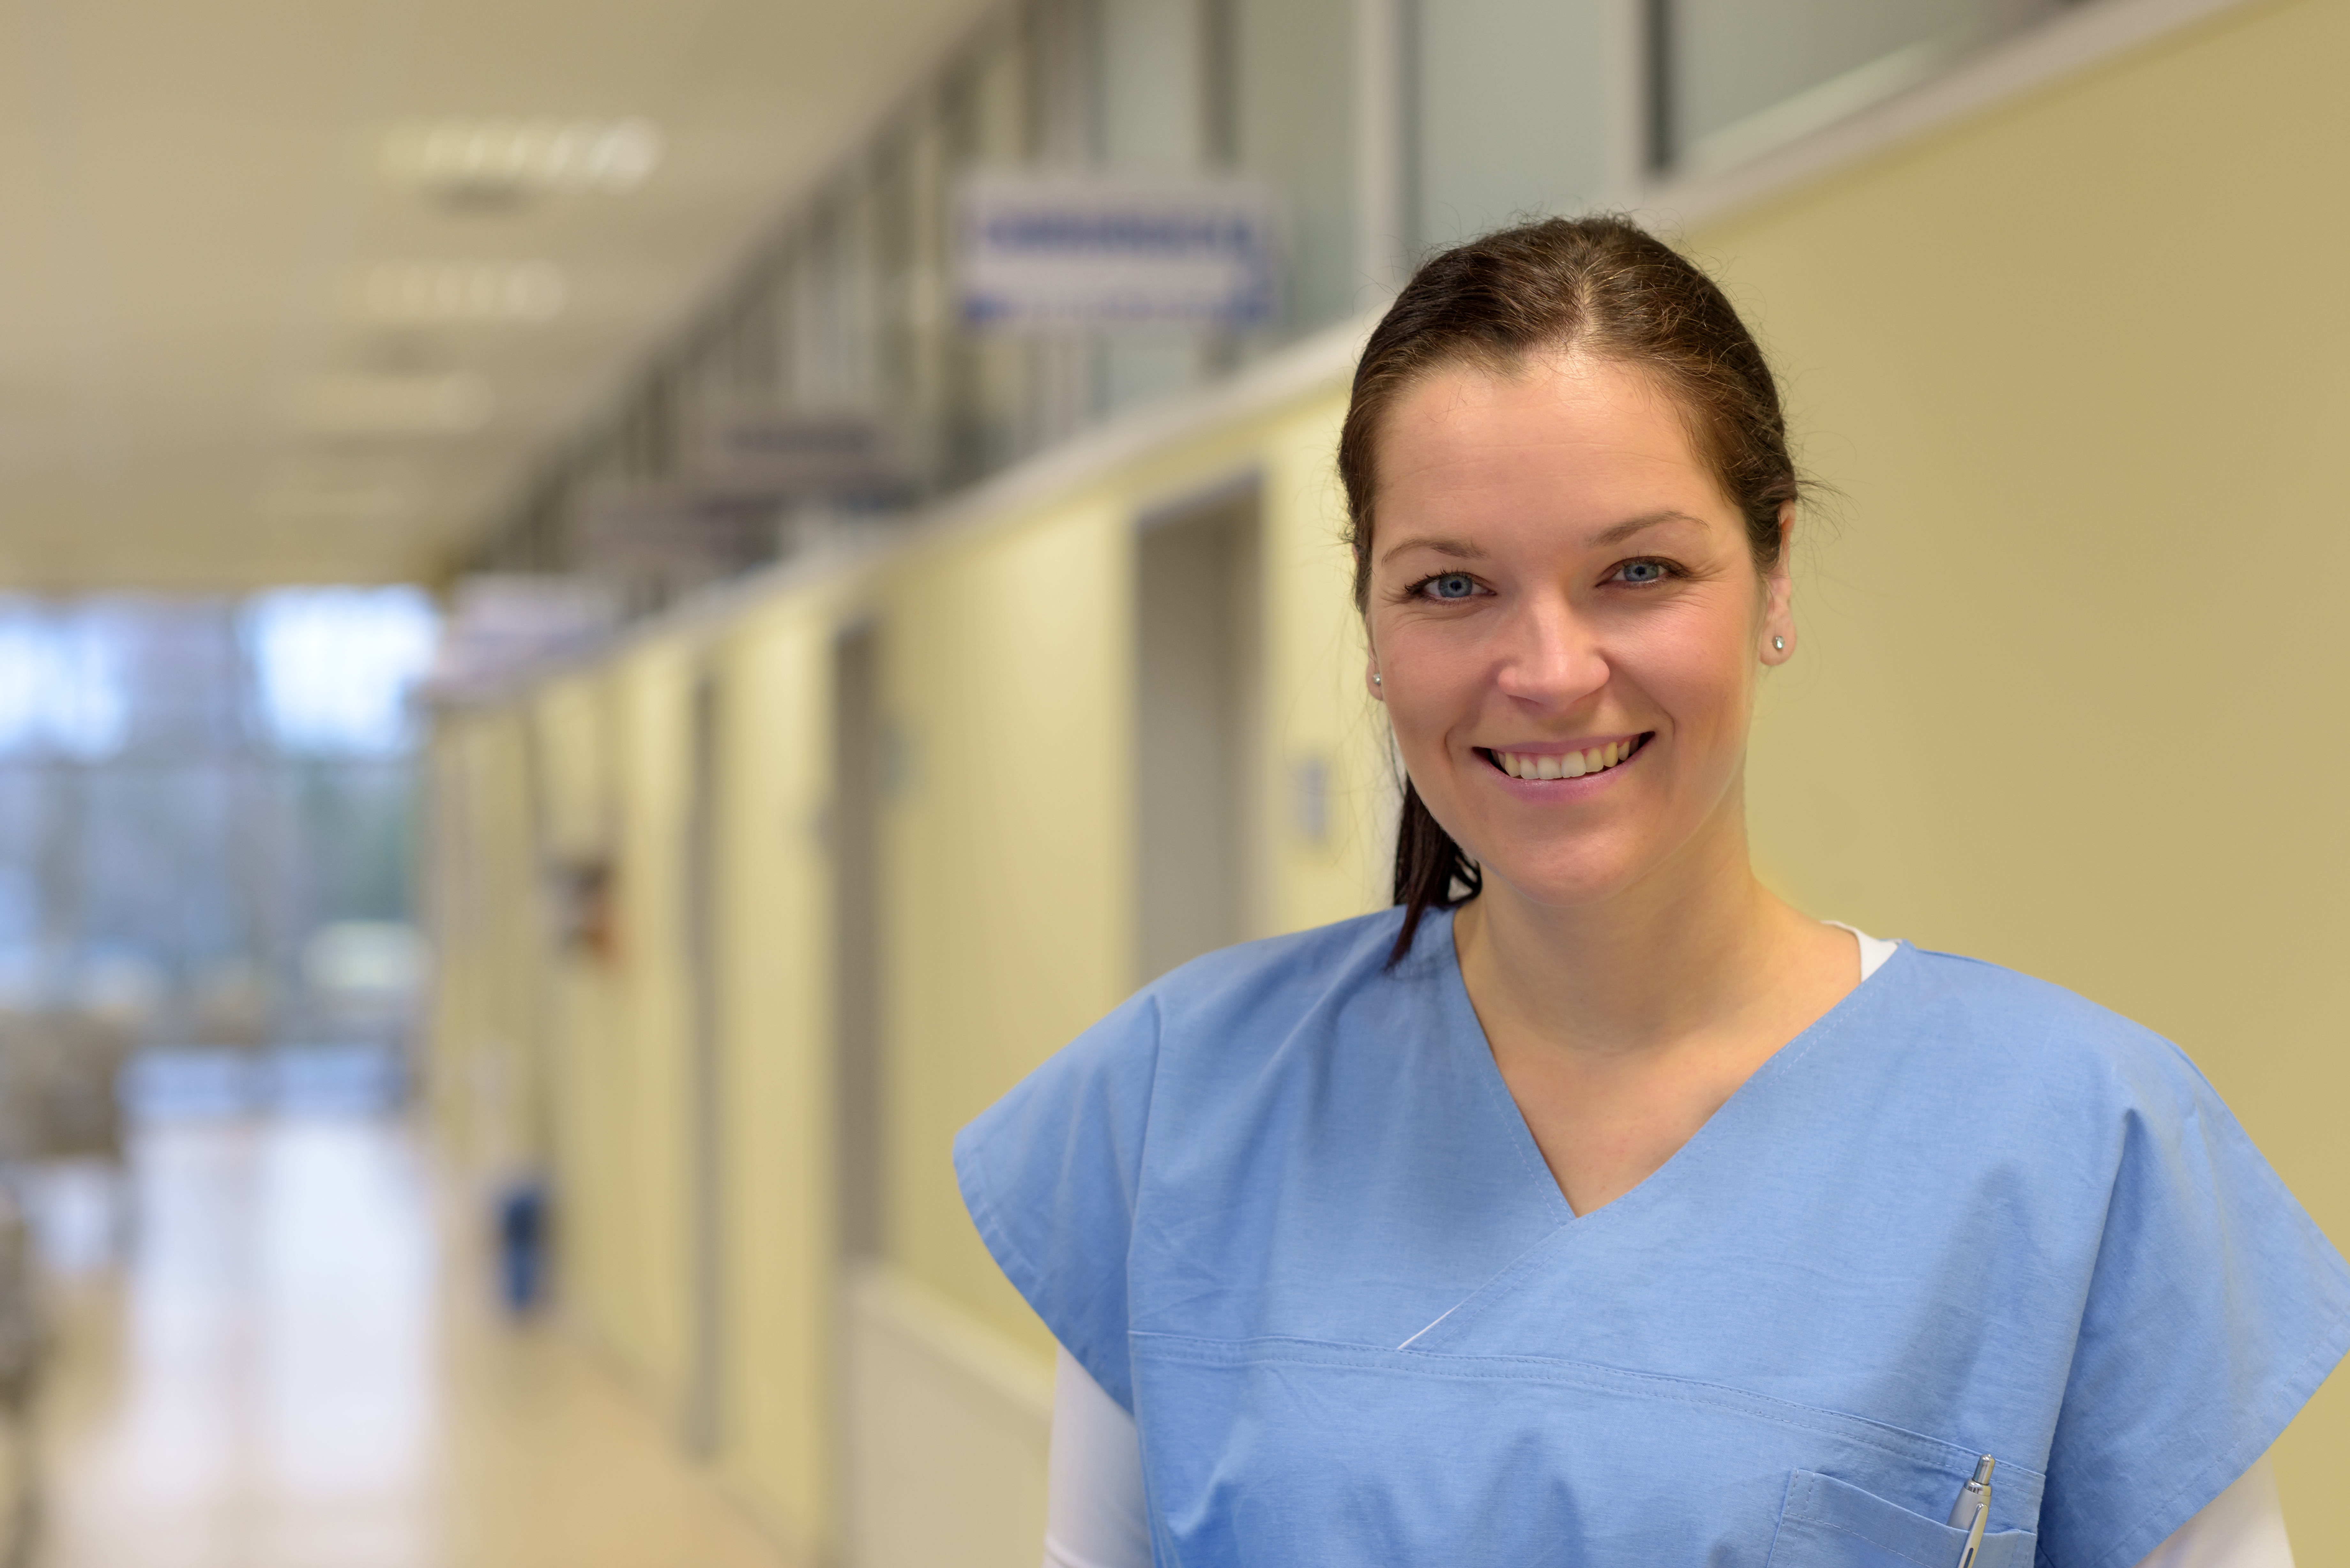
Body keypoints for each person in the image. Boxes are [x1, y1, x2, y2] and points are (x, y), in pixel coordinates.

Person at [954, 217, 2349, 1568]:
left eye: (1638, 571)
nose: (1550, 669)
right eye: (1451, 585)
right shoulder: (1181, 1106)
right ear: (1372, 628)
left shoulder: (2076, 1144)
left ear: (1776, 575)